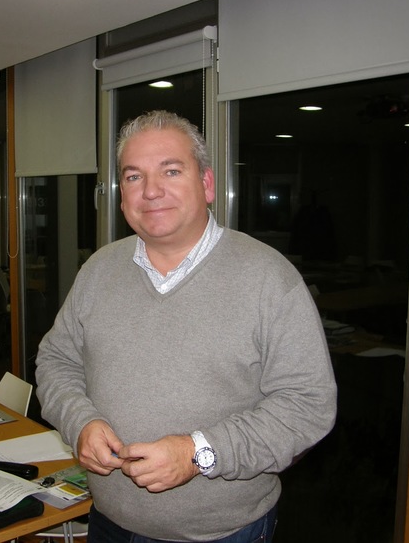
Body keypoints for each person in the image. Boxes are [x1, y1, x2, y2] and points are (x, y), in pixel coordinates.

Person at [35, 110, 337, 542]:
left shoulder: (270, 279)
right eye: (134, 177)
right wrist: (79, 421)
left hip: (222, 533)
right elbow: (57, 360)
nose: (152, 191)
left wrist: (198, 452)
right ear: (122, 196)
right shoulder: (99, 270)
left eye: (171, 171)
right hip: (107, 520)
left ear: (207, 184)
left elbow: (308, 406)